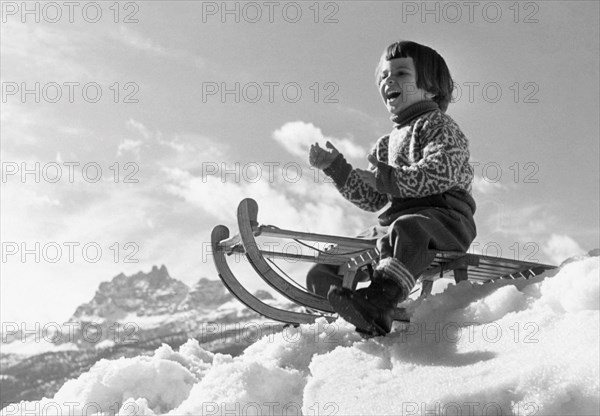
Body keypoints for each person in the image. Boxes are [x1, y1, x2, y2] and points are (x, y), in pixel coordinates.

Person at [307, 40, 477, 336]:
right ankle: (330, 289)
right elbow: (374, 199)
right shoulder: (386, 143)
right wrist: (338, 169)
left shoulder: (439, 125)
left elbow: (441, 171)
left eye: (401, 73)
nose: (389, 80)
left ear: (431, 87)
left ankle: (380, 300)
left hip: (444, 220)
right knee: (357, 242)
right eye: (384, 75)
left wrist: (388, 178)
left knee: (408, 228)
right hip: (398, 222)